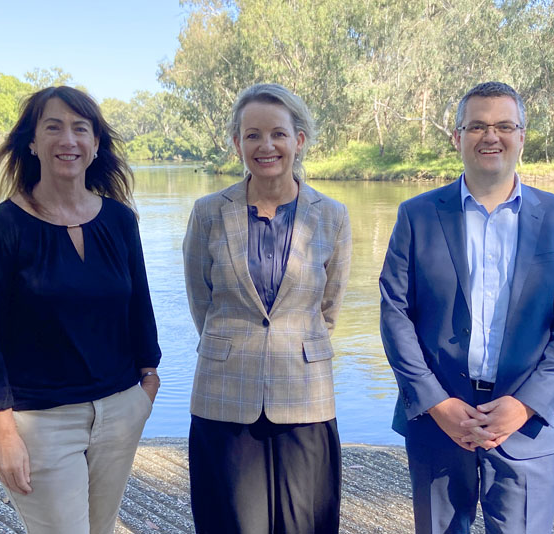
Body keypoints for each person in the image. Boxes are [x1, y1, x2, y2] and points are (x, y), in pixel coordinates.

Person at [379, 81, 554, 533]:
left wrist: (526, 404)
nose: (489, 136)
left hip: (527, 424)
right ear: (457, 137)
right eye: (476, 125)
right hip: (438, 420)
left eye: (503, 125)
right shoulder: (416, 216)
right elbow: (395, 313)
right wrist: (436, 403)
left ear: (521, 136)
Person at [0, 86, 161, 534]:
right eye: (53, 127)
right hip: (40, 424)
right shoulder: (0, 228)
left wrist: (147, 384)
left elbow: (140, 308)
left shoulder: (119, 220)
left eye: (80, 129)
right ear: (32, 142)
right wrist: (3, 433)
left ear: (94, 146)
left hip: (120, 411)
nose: (67, 140)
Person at [182, 83, 352, 534]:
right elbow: (202, 299)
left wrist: (290, 343)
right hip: (225, 393)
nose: (266, 145)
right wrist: (238, 345)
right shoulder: (208, 213)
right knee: (232, 523)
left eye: (278, 133)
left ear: (299, 140)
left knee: (306, 524)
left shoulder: (332, 215)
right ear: (237, 143)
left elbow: (328, 308)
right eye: (252, 135)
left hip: (305, 395)